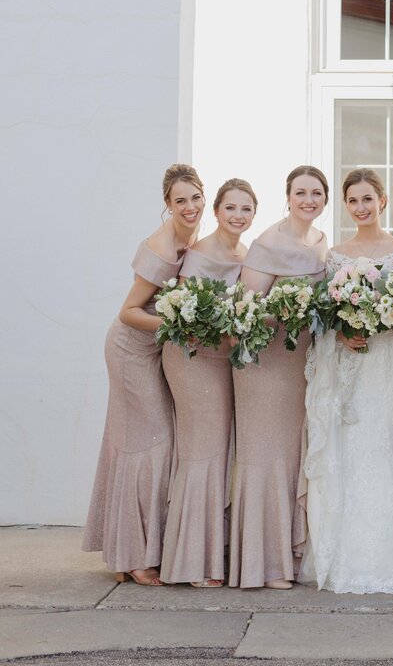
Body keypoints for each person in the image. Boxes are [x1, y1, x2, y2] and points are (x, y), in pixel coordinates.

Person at [83, 164, 205, 585]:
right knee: (151, 444)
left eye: (194, 198)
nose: (189, 207)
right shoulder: (161, 248)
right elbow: (129, 312)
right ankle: (135, 556)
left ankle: (129, 550)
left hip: (154, 352)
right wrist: (177, 327)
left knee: (140, 444)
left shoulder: (193, 239)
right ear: (166, 206)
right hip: (130, 351)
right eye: (179, 201)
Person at [300, 168, 393, 594]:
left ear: (382, 201)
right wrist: (344, 330)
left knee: (388, 443)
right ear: (346, 205)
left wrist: (389, 317)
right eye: (354, 200)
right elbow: (324, 316)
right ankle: (345, 552)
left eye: (369, 199)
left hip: (387, 361)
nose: (362, 207)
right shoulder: (335, 255)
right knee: (351, 448)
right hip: (351, 363)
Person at [228, 166, 329, 589]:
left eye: (316, 193)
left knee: (290, 460)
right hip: (265, 365)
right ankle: (262, 565)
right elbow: (244, 312)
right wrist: (287, 310)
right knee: (265, 459)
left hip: (301, 364)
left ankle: (287, 554)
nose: (309, 200)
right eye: (300, 192)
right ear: (287, 197)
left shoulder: (321, 242)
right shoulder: (268, 243)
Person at [159, 178, 257, 587]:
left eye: (246, 209)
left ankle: (209, 551)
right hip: (192, 357)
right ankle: (191, 563)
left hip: (224, 360)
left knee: (220, 451)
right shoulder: (200, 253)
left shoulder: (247, 254)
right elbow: (183, 317)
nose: (237, 216)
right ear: (216, 211)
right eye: (230, 208)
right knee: (203, 452)